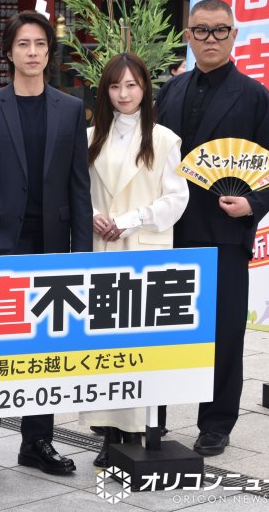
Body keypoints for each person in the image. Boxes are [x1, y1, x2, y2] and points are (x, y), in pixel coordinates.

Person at [0, 10, 92, 482]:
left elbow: (78, 184)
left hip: (51, 243)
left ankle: (37, 442)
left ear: (49, 52)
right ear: (9, 52)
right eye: (23, 44)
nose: (32, 52)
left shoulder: (70, 108)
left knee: (44, 348)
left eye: (39, 44)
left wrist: (81, 251)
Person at [156, 0, 269, 456]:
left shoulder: (253, 95)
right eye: (201, 30)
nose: (209, 38)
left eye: (219, 30)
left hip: (224, 233)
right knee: (162, 327)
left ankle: (216, 422)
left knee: (224, 331)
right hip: (168, 231)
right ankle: (150, 417)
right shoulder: (170, 90)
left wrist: (251, 203)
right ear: (188, 36)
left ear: (234, 36)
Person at [80, 52, 188, 467]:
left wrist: (129, 220)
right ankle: (109, 433)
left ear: (145, 87)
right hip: (101, 248)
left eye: (131, 85)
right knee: (104, 344)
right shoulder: (90, 137)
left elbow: (176, 199)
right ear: (104, 91)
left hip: (144, 250)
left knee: (142, 344)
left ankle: (141, 429)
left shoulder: (164, 139)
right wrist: (93, 215)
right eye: (115, 86)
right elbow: (78, 190)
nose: (123, 94)